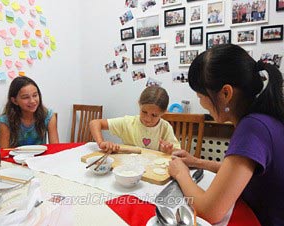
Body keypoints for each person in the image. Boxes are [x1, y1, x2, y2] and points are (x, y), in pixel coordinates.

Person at [168, 44, 284, 225]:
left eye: (200, 96)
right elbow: (237, 172)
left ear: (225, 93)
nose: (201, 104)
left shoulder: (252, 128)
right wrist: (196, 162)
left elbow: (210, 211)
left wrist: (181, 173)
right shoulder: (262, 119)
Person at [90, 86, 180, 154]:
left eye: (154, 115)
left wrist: (168, 150)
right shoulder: (128, 123)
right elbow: (95, 123)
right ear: (139, 104)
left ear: (163, 112)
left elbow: (176, 152)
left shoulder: (165, 128)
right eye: (144, 112)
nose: (148, 119)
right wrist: (101, 142)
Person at [0, 76, 59, 148]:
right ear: (14, 101)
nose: (32, 101)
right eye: (25, 97)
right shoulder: (6, 120)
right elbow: (4, 152)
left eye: (35, 95)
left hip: (40, 158)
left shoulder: (48, 116)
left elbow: (55, 148)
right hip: (17, 158)